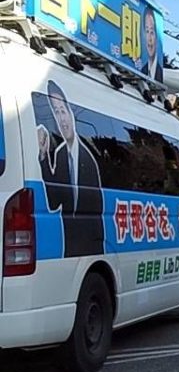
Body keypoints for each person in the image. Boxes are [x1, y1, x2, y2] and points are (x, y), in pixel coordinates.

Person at [37, 80, 104, 257]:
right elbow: (54, 202)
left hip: (92, 248)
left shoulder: (89, 160)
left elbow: (97, 214)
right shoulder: (60, 155)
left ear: (71, 114)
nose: (61, 119)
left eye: (63, 111)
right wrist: (43, 155)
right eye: (56, 112)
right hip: (70, 246)